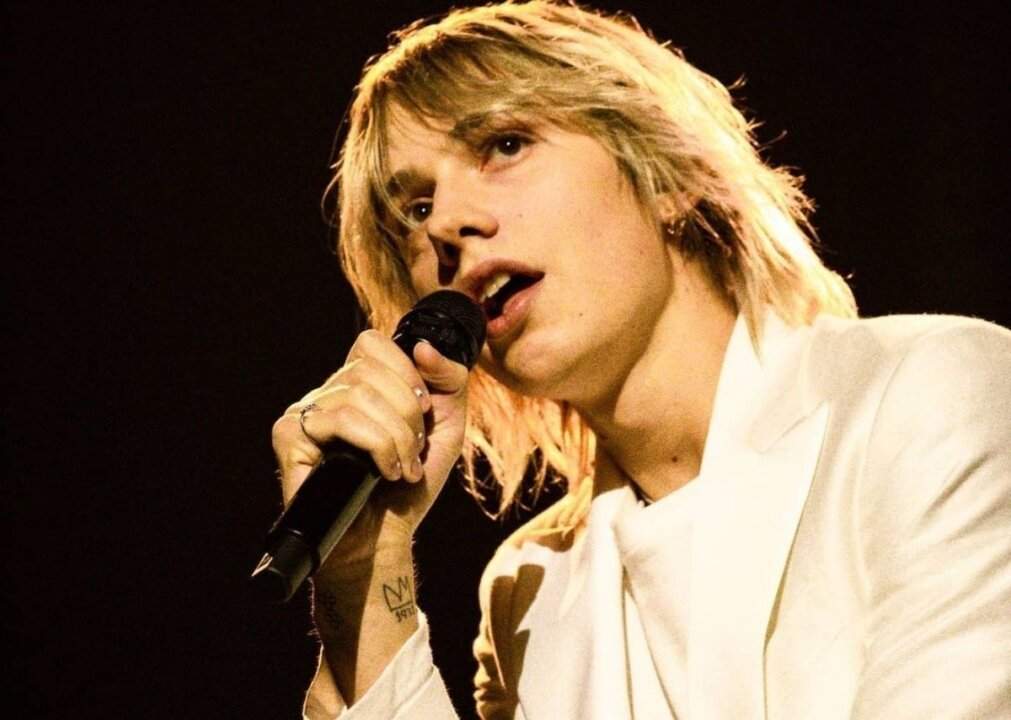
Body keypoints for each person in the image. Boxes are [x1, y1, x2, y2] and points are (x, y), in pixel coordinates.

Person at [269, 2, 1011, 718]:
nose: (450, 224)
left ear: (666, 174)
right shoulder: (528, 591)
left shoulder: (930, 395)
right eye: (416, 210)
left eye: (505, 145)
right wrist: (365, 573)